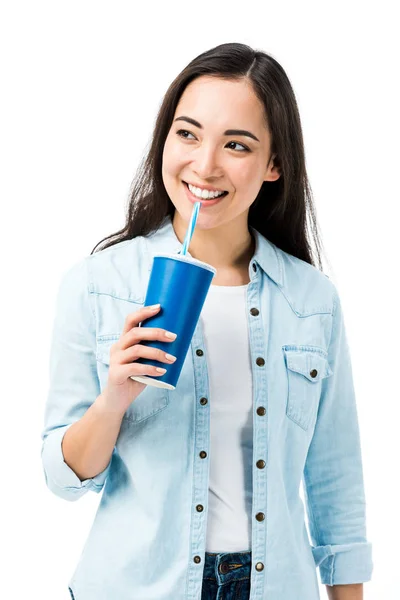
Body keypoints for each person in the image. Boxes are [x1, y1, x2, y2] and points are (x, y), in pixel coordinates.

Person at [41, 42, 373, 600]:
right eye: (187, 134)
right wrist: (114, 398)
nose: (205, 164)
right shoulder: (98, 285)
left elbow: (335, 480)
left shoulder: (311, 300)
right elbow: (64, 478)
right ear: (164, 139)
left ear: (274, 165)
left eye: (236, 144)